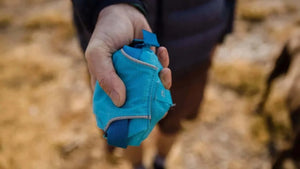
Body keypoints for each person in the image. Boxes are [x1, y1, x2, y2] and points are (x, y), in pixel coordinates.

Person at [71, 0, 236, 168]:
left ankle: (160, 162)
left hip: (195, 42)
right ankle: (138, 165)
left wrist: (223, 29)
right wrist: (109, 5)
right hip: (119, 43)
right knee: (123, 124)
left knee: (172, 121)